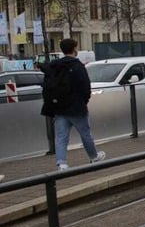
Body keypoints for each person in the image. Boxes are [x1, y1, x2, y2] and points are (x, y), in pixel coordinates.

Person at [40, 38, 106, 171]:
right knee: (85, 133)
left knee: (61, 137)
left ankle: (62, 163)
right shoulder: (77, 66)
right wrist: (84, 101)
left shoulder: (55, 66)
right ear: (74, 49)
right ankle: (93, 157)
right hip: (76, 107)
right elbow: (85, 86)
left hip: (59, 107)